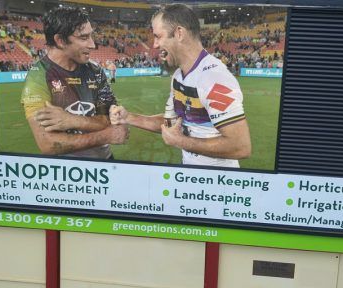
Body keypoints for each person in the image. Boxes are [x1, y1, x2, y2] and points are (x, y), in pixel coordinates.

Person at [110, 4, 251, 167]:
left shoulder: (214, 78)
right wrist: (129, 118)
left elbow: (240, 146)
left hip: (216, 184)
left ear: (179, 33)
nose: (155, 45)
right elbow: (171, 123)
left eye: (158, 36)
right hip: (188, 177)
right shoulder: (178, 76)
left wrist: (181, 141)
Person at [21, 7, 127, 159]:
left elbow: (109, 120)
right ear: (60, 40)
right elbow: (48, 144)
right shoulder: (38, 77)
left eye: (91, 36)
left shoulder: (95, 69)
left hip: (105, 161)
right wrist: (105, 136)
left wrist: (71, 120)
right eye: (84, 38)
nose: (92, 45)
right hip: (68, 172)